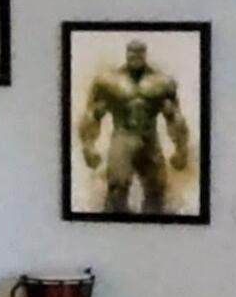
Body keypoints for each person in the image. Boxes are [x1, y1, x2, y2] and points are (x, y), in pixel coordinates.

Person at [76, 36, 195, 216]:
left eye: (139, 52)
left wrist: (181, 149)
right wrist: (88, 146)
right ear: (126, 54)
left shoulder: (162, 82)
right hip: (123, 137)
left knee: (157, 189)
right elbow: (92, 115)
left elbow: (174, 117)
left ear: (145, 54)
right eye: (132, 52)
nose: (135, 56)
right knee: (117, 186)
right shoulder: (109, 82)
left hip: (150, 139)